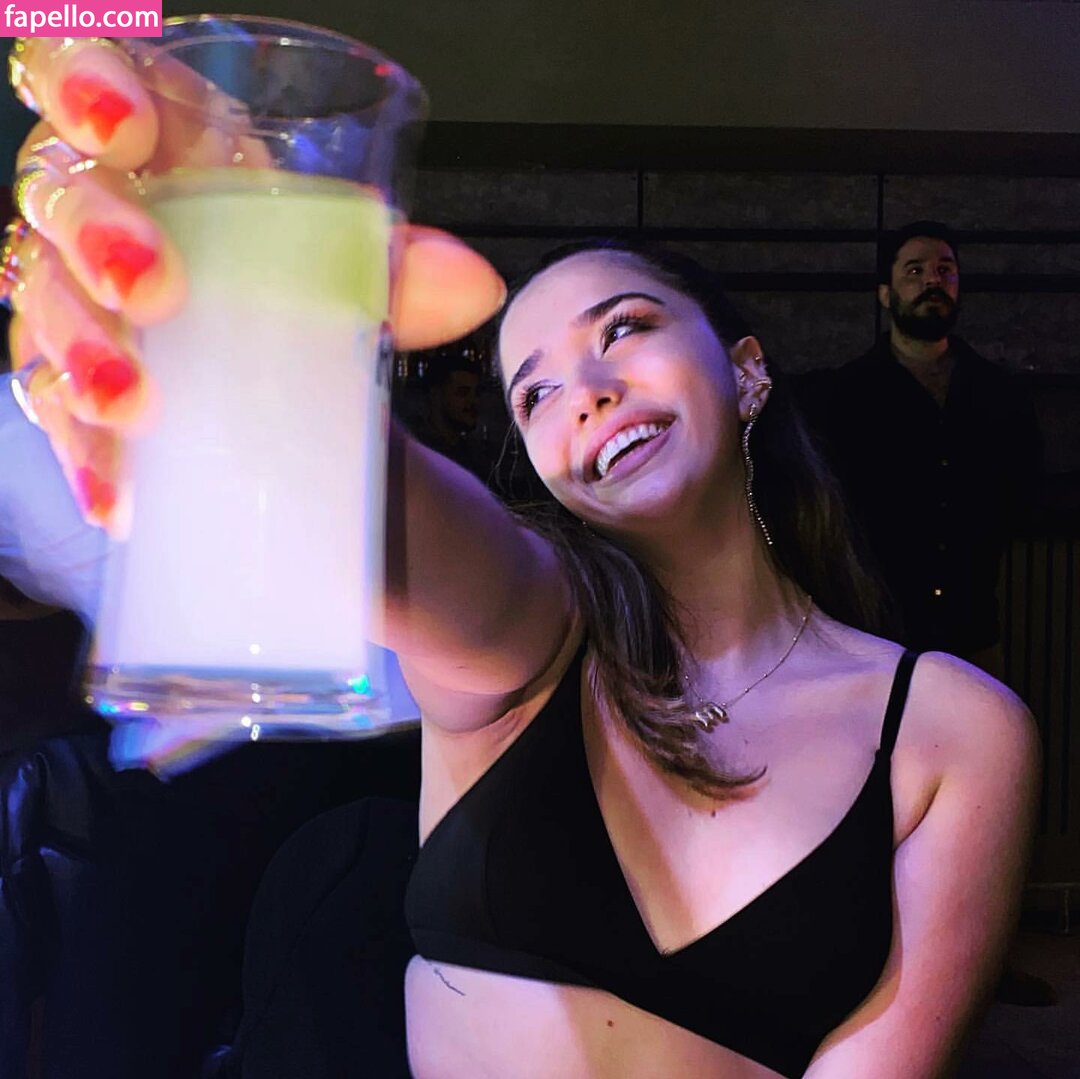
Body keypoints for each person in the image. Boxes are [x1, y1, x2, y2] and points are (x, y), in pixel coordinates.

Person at [4, 37, 1039, 1079]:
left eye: (623, 330)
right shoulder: (537, 629)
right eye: (534, 392)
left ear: (746, 371)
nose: (585, 392)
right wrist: (243, 313)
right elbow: (394, 523)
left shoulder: (953, 731)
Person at [800, 221, 1042, 680]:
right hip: (876, 634)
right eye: (915, 271)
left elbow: (1021, 493)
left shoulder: (998, 394)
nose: (933, 280)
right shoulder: (845, 397)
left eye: (945, 270)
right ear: (885, 293)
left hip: (972, 628)